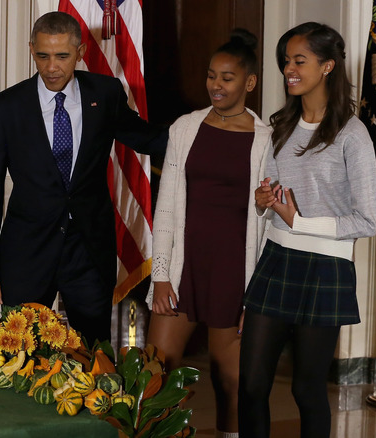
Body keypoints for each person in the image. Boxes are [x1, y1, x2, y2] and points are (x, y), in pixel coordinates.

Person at [0, 11, 166, 345]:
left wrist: (208, 130)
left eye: (62, 56)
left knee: (91, 353)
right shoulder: (5, 108)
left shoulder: (104, 94)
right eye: (43, 56)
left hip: (88, 249)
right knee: (20, 353)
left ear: (80, 52)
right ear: (32, 50)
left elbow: (147, 138)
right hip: (26, 252)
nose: (51, 67)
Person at [238, 22, 376, 438]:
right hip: (277, 260)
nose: (289, 70)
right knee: (251, 385)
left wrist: (299, 221)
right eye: (286, 62)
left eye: (299, 61)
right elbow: (272, 191)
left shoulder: (353, 135)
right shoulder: (280, 123)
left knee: (307, 390)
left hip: (326, 267)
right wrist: (265, 202)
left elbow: (368, 219)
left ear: (328, 66)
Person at [145, 30, 270, 438]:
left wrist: (258, 294)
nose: (217, 85)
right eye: (212, 76)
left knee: (230, 378)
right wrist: (161, 274)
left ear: (249, 82)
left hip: (235, 269)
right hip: (185, 266)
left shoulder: (267, 139)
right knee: (155, 370)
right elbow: (165, 207)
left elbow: (270, 222)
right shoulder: (185, 128)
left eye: (227, 77)